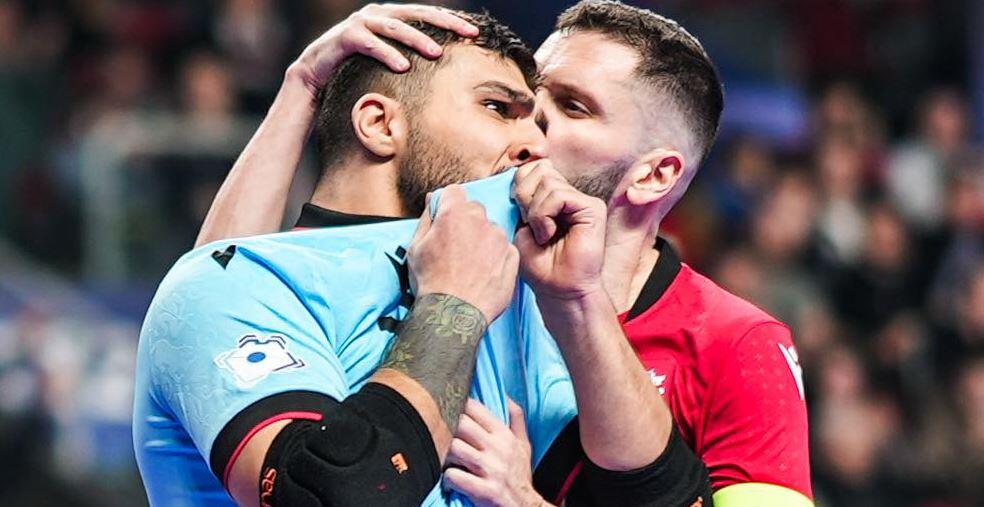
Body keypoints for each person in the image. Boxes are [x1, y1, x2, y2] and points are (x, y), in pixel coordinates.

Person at [196, 2, 815, 506]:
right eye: (518, 101)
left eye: (572, 107)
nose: (531, 125)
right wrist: (303, 88)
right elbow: (217, 285)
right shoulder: (464, 266)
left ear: (654, 176)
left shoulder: (735, 344)